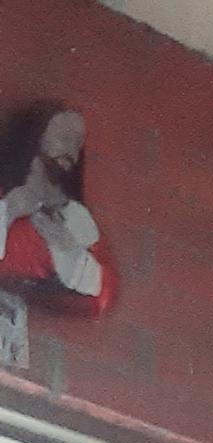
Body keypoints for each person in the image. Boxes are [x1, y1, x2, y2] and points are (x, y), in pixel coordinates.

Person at [0, 104, 116, 315]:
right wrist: (9, 210)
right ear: (37, 137)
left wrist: (65, 245)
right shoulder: (6, 197)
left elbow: (101, 294)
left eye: (77, 143)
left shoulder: (76, 217)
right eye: (63, 137)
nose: (70, 150)